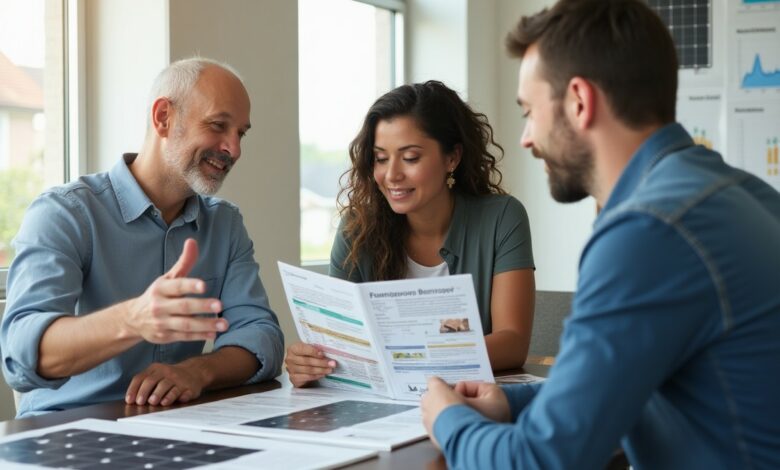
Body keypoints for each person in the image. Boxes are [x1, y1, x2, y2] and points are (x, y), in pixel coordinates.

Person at [420, 0, 780, 468]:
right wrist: (510, 402)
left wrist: (448, 419)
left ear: (579, 101)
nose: (527, 137)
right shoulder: (740, 193)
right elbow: (642, 380)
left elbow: (539, 461)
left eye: (530, 111)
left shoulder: (648, 231)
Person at [1, 58, 284, 417]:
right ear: (163, 117)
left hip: (176, 425)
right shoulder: (65, 213)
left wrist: (198, 370)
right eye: (217, 125)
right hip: (69, 430)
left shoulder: (225, 224)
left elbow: (263, 337)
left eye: (240, 133)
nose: (234, 149)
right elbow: (20, 353)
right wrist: (133, 318)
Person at [285, 81, 536, 387]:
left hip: (468, 404)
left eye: (410, 157)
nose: (391, 175)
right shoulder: (356, 228)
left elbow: (512, 342)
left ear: (452, 158)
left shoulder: (502, 218)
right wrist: (309, 362)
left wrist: (414, 359)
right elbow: (340, 341)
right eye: (380, 158)